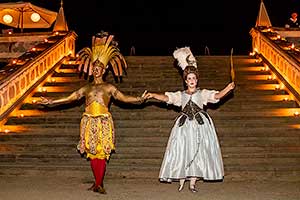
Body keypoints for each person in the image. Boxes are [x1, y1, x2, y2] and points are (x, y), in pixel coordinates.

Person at [38, 31, 146, 194]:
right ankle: (97, 182)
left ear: (104, 70)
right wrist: (52, 101)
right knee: (91, 151)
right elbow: (71, 97)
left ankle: (99, 183)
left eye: (99, 68)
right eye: (94, 68)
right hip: (88, 121)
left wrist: (138, 99)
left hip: (103, 121)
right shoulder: (87, 87)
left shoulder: (108, 87)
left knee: (101, 152)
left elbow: (123, 98)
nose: (96, 70)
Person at [143, 47, 235, 193]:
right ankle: (181, 179)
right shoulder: (180, 95)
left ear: (197, 80)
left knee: (198, 151)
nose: (191, 80)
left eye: (194, 78)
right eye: (189, 78)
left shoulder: (203, 93)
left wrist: (227, 89)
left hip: (200, 126)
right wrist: (154, 95)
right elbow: (168, 98)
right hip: (184, 127)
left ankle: (192, 182)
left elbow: (216, 96)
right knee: (182, 150)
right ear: (185, 81)